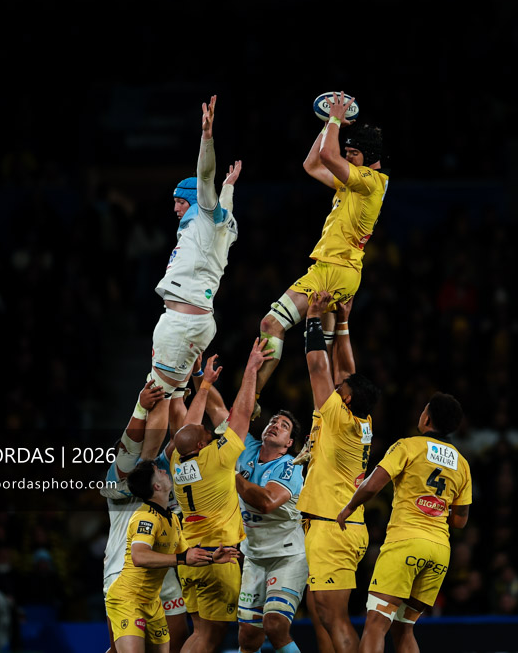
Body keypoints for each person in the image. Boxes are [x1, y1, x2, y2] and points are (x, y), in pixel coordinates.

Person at [256, 92, 389, 410]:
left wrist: (333, 120)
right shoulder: (355, 183)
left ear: (367, 156)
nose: (347, 158)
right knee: (322, 351)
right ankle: (329, 420)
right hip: (341, 271)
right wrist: (330, 125)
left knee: (271, 325)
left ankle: (253, 397)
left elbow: (328, 157)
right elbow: (312, 163)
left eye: (352, 153)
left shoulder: (371, 181)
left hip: (333, 268)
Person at [142, 94, 242, 461]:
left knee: (155, 399)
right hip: (198, 320)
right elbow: (224, 203)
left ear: (195, 200)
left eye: (178, 202)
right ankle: (184, 466)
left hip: (182, 321)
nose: (175, 209)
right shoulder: (221, 226)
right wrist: (231, 186)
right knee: (174, 397)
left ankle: (146, 470)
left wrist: (207, 136)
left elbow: (204, 175)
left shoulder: (203, 212)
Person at [337, 392, 473, 653]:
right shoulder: (462, 464)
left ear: (427, 417)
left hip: (405, 543)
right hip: (439, 551)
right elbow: (460, 521)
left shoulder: (408, 446)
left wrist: (349, 507)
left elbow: (372, 485)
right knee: (403, 626)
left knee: (376, 623)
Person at [170, 338, 273, 653]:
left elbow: (188, 427)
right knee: (209, 639)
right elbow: (239, 414)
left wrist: (202, 385)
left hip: (189, 559)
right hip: (217, 558)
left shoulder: (178, 458)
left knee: (199, 632)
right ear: (202, 446)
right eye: (206, 434)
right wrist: (252, 368)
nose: (210, 431)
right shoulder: (218, 458)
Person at [296, 291, 380, 653]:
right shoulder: (359, 418)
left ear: (343, 400)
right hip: (337, 524)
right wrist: (342, 321)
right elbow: (347, 373)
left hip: (333, 526)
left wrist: (313, 319)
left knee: (334, 618)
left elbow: (319, 367)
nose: (336, 386)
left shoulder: (336, 416)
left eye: (339, 390)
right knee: (320, 614)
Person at [105, 461, 239, 653]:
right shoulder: (145, 517)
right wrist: (181, 560)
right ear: (157, 486)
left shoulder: (172, 518)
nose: (163, 470)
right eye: (158, 471)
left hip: (152, 603)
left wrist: (212, 557)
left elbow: (186, 555)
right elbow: (139, 556)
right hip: (127, 600)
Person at [101, 380, 190, 653]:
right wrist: (156, 393)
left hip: (162, 577)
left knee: (175, 646)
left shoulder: (161, 472)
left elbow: (182, 437)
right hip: (123, 573)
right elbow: (134, 441)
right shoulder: (120, 478)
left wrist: (177, 389)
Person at [234, 410, 307, 653]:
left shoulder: (290, 466)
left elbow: (266, 502)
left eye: (284, 425)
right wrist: (202, 379)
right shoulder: (247, 449)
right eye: (273, 420)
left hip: (286, 556)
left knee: (275, 625)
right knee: (248, 636)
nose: (275, 424)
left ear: (288, 444)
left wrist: (230, 474)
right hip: (254, 558)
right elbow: (222, 412)